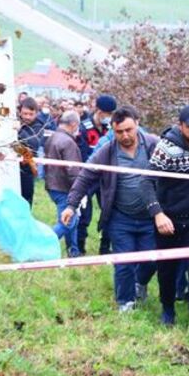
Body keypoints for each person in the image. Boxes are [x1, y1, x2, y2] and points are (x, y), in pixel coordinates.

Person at [62, 106, 159, 312]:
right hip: (120, 217)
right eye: (119, 132)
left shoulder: (153, 145)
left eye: (128, 130)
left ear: (137, 124)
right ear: (113, 130)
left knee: (151, 259)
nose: (125, 135)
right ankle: (125, 302)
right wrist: (71, 204)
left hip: (150, 216)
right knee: (123, 261)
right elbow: (85, 176)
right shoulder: (107, 151)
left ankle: (140, 283)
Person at [141, 104, 189, 340]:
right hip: (170, 218)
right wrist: (158, 214)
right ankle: (167, 309)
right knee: (167, 269)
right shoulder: (166, 149)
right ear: (180, 126)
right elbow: (146, 182)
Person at [77, 94, 117, 255]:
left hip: (106, 177)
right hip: (89, 177)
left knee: (109, 211)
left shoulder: (112, 130)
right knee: (84, 212)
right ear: (98, 111)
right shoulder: (84, 128)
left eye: (110, 114)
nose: (107, 117)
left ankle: (105, 247)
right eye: (105, 113)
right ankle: (79, 248)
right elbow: (82, 154)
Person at [44, 111, 83, 258]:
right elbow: (73, 170)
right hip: (64, 187)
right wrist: (79, 190)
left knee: (72, 219)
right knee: (68, 221)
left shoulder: (52, 138)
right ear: (73, 124)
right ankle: (43, 245)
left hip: (52, 184)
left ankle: (73, 251)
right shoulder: (68, 142)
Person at [17, 96, 45, 207]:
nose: (27, 117)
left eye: (30, 114)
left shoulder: (39, 126)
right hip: (11, 167)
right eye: (25, 113)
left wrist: (19, 131)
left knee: (26, 200)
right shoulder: (14, 120)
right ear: (20, 112)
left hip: (27, 168)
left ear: (36, 113)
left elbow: (34, 143)